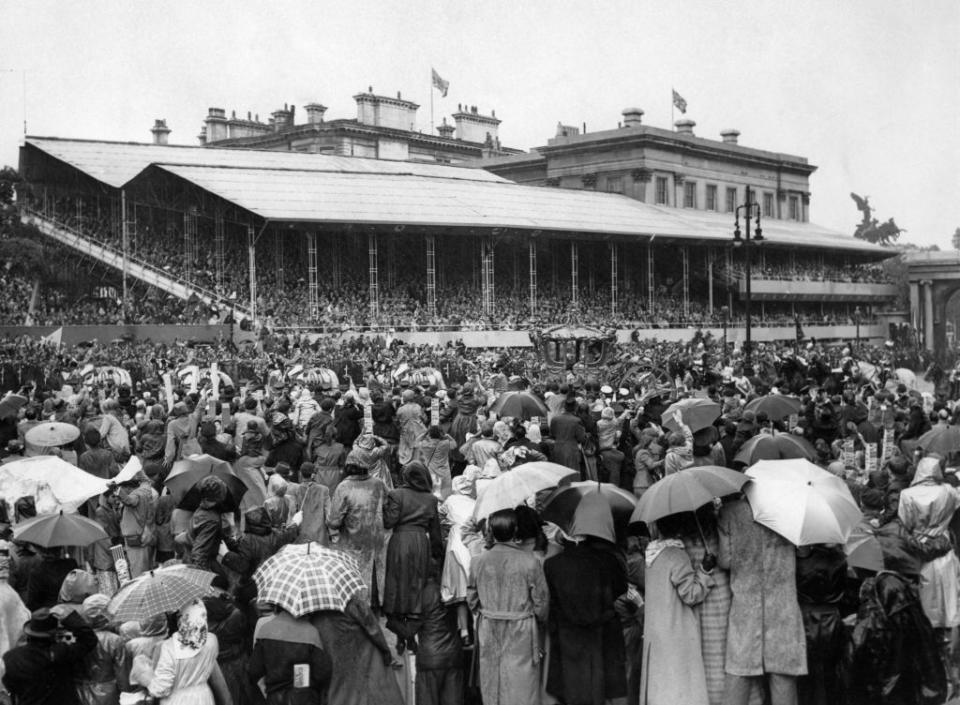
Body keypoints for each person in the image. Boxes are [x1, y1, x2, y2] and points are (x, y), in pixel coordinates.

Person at [719, 497, 807, 705]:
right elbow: (804, 551)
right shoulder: (789, 509)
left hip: (745, 602)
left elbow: (725, 560)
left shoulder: (729, 512)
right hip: (782, 603)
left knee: (739, 671)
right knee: (782, 673)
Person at [544, 492, 628, 705]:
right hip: (602, 636)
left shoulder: (552, 565)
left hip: (566, 638)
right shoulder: (609, 561)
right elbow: (621, 592)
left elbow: (549, 603)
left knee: (571, 689)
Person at [467, 508, 549, 705]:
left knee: (492, 681)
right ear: (515, 531)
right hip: (521, 631)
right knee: (521, 684)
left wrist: (488, 612)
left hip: (489, 627)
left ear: (491, 531)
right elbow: (542, 604)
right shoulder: (530, 562)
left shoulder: (478, 561)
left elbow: (471, 598)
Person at [639, 513, 715, 705]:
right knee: (679, 687)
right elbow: (691, 594)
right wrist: (705, 571)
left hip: (656, 633)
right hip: (675, 633)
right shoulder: (677, 555)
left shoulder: (651, 554)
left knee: (661, 686)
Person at [382, 461, 443, 653]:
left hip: (400, 542)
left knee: (398, 584)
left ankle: (402, 636)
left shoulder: (396, 494)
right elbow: (435, 533)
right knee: (417, 585)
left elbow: (388, 522)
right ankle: (412, 636)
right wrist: (436, 555)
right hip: (420, 543)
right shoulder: (431, 499)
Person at [310, 594, 404, 705]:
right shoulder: (352, 603)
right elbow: (373, 629)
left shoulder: (314, 614)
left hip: (336, 668)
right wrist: (385, 651)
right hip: (364, 661)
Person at [2, 607, 97, 705]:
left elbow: (9, 688)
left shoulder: (11, 658)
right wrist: (69, 618)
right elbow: (89, 639)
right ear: (54, 634)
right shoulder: (62, 653)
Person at [327, 462, 389, 608]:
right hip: (377, 538)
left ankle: (358, 608)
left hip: (352, 541)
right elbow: (389, 505)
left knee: (355, 578)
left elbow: (334, 522)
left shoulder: (344, 487)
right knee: (376, 571)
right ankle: (377, 604)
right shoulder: (379, 483)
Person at [147, 600, 233, 705]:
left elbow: (160, 688)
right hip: (204, 698)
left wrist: (145, 678)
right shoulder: (209, 642)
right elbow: (219, 683)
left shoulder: (165, 648)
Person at [249, 607, 332, 705]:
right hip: (305, 698)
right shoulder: (311, 632)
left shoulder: (265, 630)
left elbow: (254, 671)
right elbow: (322, 674)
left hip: (275, 698)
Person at [76, 593, 128, 705]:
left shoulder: (77, 638)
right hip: (108, 694)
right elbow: (123, 676)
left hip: (82, 692)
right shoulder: (114, 640)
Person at [115, 469, 157, 578]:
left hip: (136, 538)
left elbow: (129, 501)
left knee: (138, 572)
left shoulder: (136, 495)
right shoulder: (146, 490)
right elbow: (146, 480)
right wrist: (137, 467)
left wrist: (118, 490)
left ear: (128, 488)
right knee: (144, 569)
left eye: (123, 488)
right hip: (143, 535)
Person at [25, 545, 78, 611]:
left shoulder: (37, 571)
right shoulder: (71, 564)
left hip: (50, 613)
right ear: (60, 549)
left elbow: (32, 602)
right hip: (73, 610)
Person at [415, 426, 457, 499]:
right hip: (444, 474)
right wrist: (448, 436)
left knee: (431, 495)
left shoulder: (425, 444)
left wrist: (424, 434)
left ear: (429, 435)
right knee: (445, 497)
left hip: (431, 474)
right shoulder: (445, 443)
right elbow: (454, 445)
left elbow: (416, 442)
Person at [295, 462, 332, 545]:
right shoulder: (324, 490)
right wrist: (332, 531)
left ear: (301, 473)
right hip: (319, 533)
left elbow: (293, 511)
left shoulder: (296, 490)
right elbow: (329, 513)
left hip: (302, 532)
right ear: (314, 474)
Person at [550, 397, 586, 474]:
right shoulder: (577, 421)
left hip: (558, 448)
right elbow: (581, 438)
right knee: (571, 475)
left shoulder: (555, 419)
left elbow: (552, 434)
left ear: (564, 407)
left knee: (559, 474)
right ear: (575, 408)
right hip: (571, 450)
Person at [311, 426, 346, 494]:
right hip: (334, 474)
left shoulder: (318, 447)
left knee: (320, 494)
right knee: (332, 495)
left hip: (320, 473)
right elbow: (342, 463)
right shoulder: (340, 447)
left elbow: (312, 459)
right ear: (335, 435)